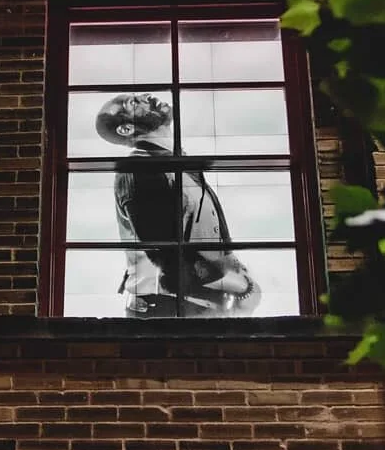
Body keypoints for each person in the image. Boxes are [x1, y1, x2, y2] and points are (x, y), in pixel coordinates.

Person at [94, 92, 261, 318]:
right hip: (166, 313)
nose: (146, 95)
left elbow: (215, 244)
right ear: (126, 129)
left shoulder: (181, 163)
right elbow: (169, 259)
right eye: (132, 103)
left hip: (198, 309)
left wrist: (243, 281)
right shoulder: (139, 168)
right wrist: (243, 288)